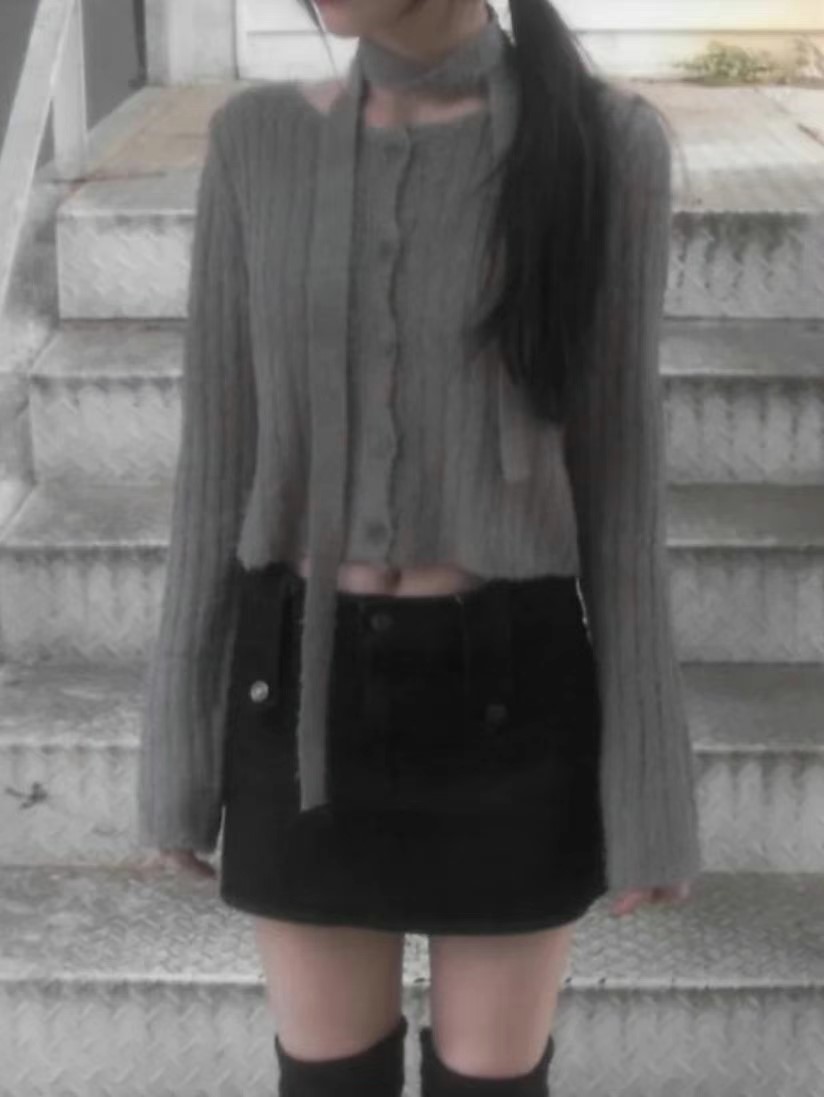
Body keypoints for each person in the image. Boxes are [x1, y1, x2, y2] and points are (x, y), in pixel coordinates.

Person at [137, 0, 702, 1093]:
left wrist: (649, 789)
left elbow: (621, 487)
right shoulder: (255, 141)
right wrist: (178, 753)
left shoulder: (601, 145)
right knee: (328, 1081)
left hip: (510, 695)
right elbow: (214, 469)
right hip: (298, 697)